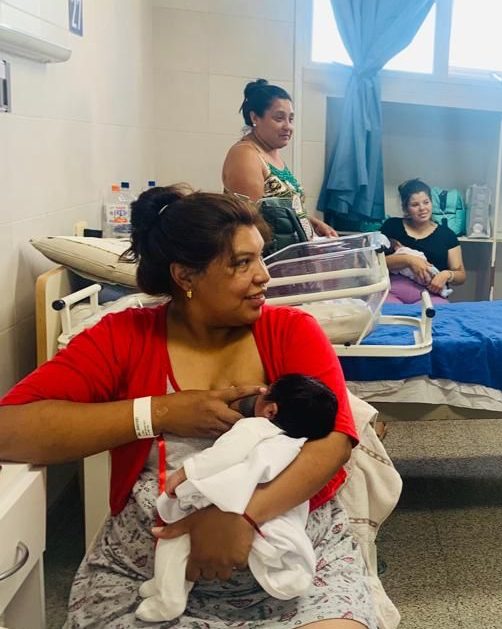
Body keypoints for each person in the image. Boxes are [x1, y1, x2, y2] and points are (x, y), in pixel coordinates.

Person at [0, 185, 375, 628]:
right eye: (242, 263)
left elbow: (335, 440)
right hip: (150, 573)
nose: (264, 276)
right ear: (185, 276)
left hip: (296, 567)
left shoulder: (291, 331)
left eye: (261, 257)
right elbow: (10, 429)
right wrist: (159, 412)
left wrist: (243, 516)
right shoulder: (123, 337)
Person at [137, 374, 339, 623]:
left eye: (266, 392)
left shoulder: (254, 427)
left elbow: (223, 455)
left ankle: (168, 598)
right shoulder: (299, 445)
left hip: (228, 499)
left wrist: (185, 472)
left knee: (175, 540)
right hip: (269, 515)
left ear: (271, 410)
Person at [222, 79, 337, 240]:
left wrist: (312, 223)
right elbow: (250, 222)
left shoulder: (270, 152)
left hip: (293, 249)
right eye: (279, 118)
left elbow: (282, 211)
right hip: (266, 252)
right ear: (255, 117)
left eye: (291, 119)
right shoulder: (245, 155)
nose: (288, 126)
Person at [381, 178, 465, 304]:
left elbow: (461, 275)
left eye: (426, 202)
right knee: (386, 313)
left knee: (435, 314)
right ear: (406, 208)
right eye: (415, 205)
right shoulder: (392, 226)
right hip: (393, 290)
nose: (422, 208)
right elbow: (375, 263)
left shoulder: (447, 235)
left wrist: (447, 275)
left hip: (431, 294)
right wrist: (408, 260)